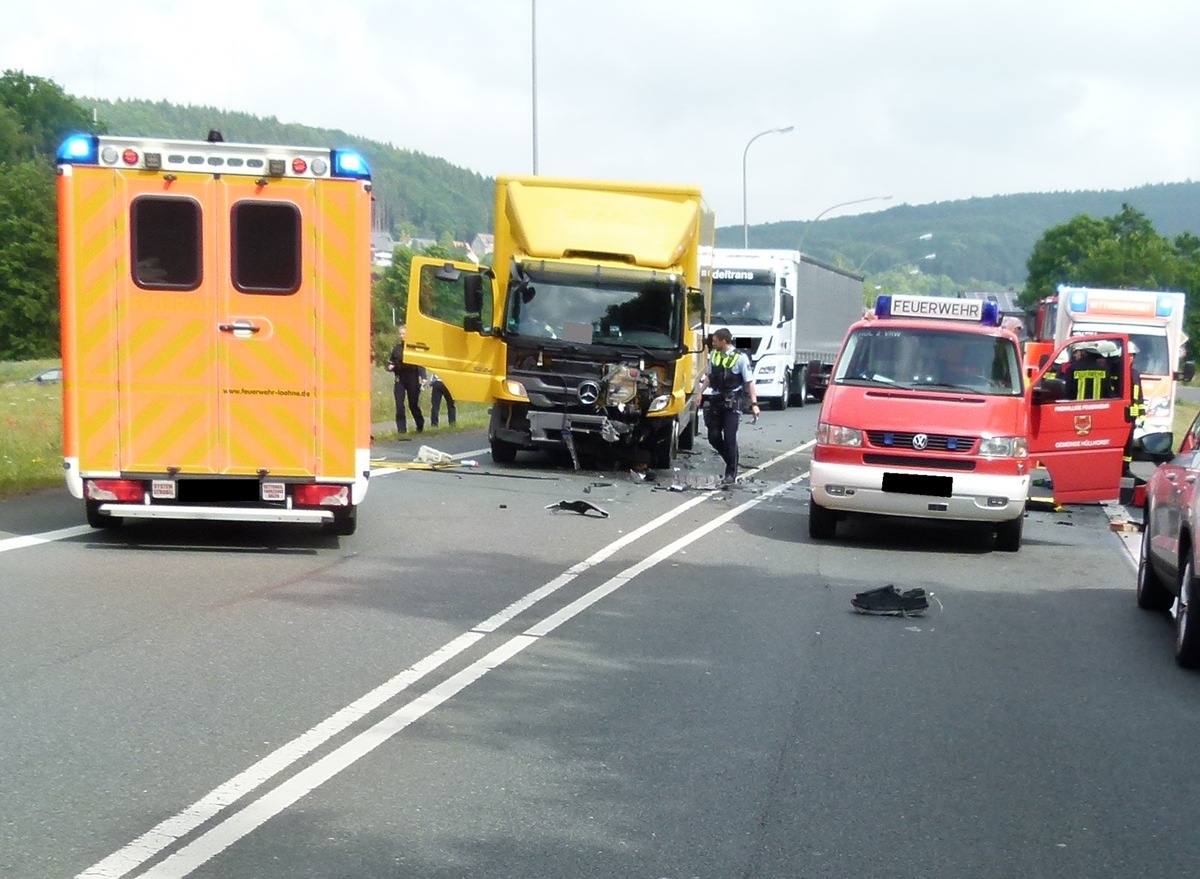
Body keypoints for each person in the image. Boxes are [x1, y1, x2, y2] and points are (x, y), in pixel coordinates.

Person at [698, 327, 759, 486]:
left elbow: (749, 382)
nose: (713, 343)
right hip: (716, 400)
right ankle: (732, 460)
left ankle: (730, 472)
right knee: (713, 437)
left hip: (732, 402)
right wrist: (699, 393)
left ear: (723, 341)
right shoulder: (715, 355)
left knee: (730, 437)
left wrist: (754, 404)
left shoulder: (740, 358)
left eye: (715, 341)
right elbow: (709, 377)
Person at [387, 325, 425, 434]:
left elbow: (420, 364)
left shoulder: (413, 348)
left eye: (404, 334)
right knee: (399, 405)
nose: (402, 336)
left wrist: (423, 377)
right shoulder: (396, 349)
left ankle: (420, 424)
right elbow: (391, 362)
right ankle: (401, 430)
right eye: (400, 334)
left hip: (412, 377)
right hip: (400, 378)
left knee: (413, 404)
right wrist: (390, 367)